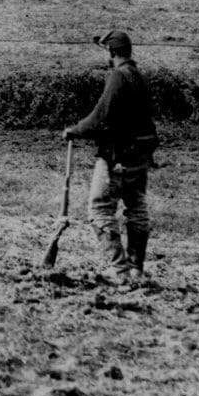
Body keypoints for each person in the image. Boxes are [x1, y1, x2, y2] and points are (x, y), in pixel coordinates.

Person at [63, 31, 158, 284]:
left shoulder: (118, 76)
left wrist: (75, 130)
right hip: (140, 157)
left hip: (116, 157)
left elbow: (101, 116)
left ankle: (120, 271)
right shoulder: (140, 77)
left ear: (112, 52)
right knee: (136, 209)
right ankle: (136, 269)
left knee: (99, 210)